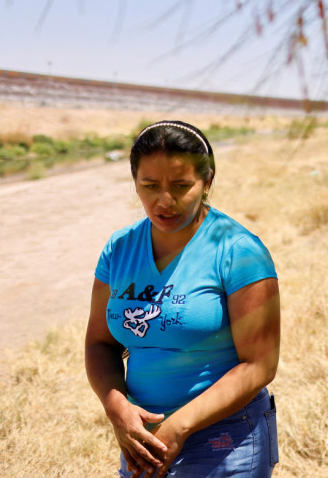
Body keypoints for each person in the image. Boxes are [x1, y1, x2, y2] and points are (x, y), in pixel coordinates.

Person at [85, 120, 280, 478]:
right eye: (149, 186)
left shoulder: (239, 251)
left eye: (180, 185)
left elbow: (259, 365)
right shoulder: (119, 249)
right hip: (143, 439)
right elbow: (100, 343)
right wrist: (118, 407)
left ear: (207, 182)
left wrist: (179, 427)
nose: (164, 201)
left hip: (226, 440)